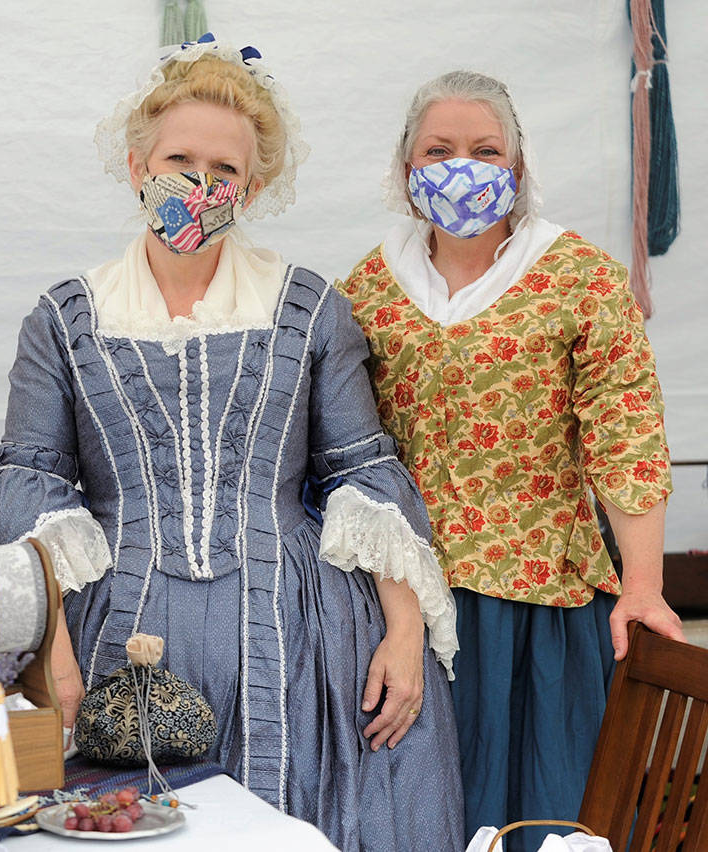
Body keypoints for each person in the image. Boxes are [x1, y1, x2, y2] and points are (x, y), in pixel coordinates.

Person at [0, 36, 464, 850]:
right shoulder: (67, 318)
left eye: (225, 170)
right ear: (137, 166)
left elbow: (363, 470)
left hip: (300, 636)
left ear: (254, 185)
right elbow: (29, 487)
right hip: (113, 635)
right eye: (179, 159)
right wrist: (52, 656)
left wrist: (404, 635)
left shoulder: (307, 307)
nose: (200, 185)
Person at [337, 70, 684, 850]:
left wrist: (645, 587)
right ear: (407, 170)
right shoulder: (365, 291)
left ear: (517, 169)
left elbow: (625, 435)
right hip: (409, 615)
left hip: (543, 614)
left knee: (550, 820)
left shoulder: (578, 277)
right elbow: (347, 456)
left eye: (485, 150)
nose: (463, 165)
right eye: (440, 149)